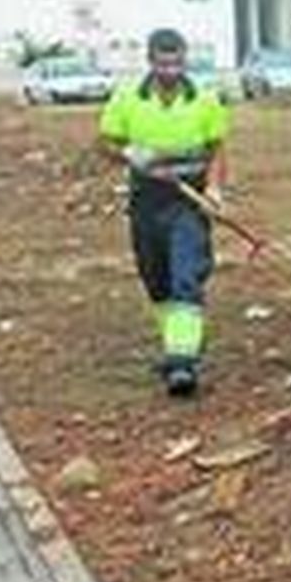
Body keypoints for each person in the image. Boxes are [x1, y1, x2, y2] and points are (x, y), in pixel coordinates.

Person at [98, 29, 229, 397]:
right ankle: (179, 340)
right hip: (147, 199)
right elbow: (105, 142)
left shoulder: (205, 100)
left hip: (189, 201)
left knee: (186, 274)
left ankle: (182, 362)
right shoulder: (128, 99)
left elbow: (217, 150)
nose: (170, 70)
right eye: (162, 62)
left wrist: (216, 189)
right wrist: (131, 155)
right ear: (150, 61)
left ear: (185, 60)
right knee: (155, 278)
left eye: (176, 62)